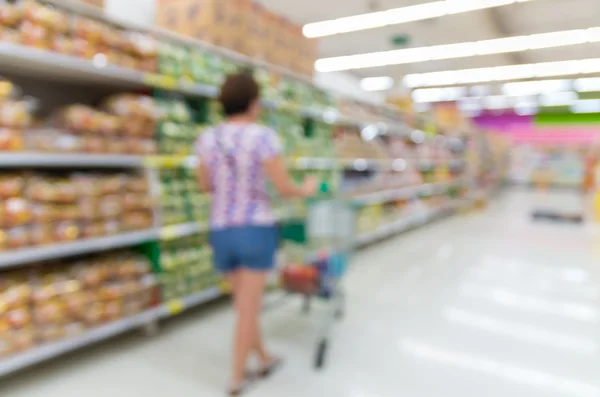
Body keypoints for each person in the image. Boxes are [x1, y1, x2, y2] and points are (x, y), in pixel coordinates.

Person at [195, 72, 317, 395]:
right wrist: (305, 188)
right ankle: (236, 378)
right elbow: (284, 187)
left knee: (244, 305)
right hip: (254, 228)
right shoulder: (263, 137)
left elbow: (204, 185)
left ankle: (262, 357)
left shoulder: (208, 138)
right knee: (248, 308)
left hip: (221, 229)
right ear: (253, 103)